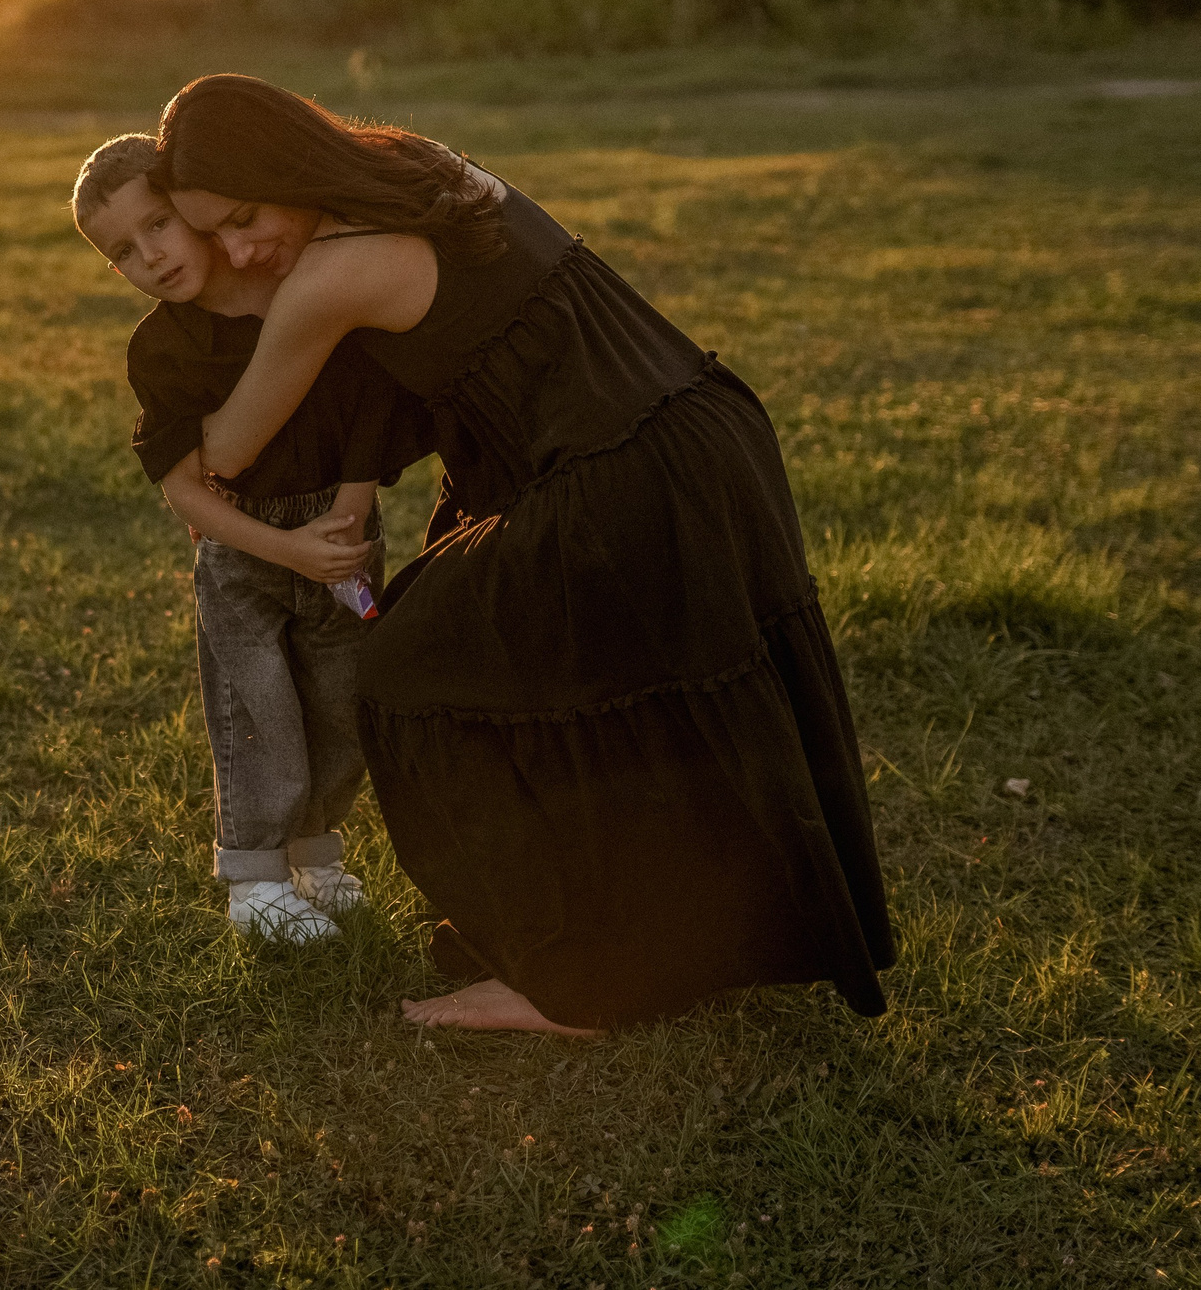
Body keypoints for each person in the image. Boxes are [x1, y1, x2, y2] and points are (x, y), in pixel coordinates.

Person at [153, 76, 895, 1034]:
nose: (243, 249)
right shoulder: (414, 167)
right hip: (697, 434)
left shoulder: (332, 273)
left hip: (617, 482)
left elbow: (230, 448)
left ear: (286, 167)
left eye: (247, 219)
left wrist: (170, 399)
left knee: (411, 673)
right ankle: (642, 936)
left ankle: (574, 981)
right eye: (217, 238)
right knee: (597, 688)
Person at [72, 133, 434, 944]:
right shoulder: (161, 350)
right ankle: (254, 876)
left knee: (341, 704)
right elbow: (184, 492)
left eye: (159, 224)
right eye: (123, 251)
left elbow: (372, 409)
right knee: (255, 707)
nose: (152, 256)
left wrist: (348, 515)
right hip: (244, 552)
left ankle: (317, 853)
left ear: (197, 210)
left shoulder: (302, 292)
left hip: (341, 530)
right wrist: (286, 550)